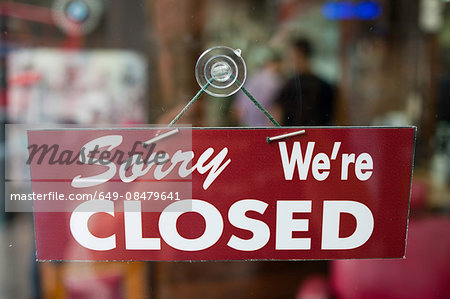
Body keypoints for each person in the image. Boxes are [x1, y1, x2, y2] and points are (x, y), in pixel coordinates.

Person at [273, 38, 335, 126]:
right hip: (318, 137)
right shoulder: (325, 86)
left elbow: (276, 117)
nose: (288, 61)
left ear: (300, 55)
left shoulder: (289, 86)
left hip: (292, 137)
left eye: (291, 56)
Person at [232, 50, 284, 126]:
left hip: (249, 128)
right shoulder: (276, 81)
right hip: (268, 130)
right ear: (276, 63)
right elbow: (277, 111)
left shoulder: (251, 80)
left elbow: (237, 111)